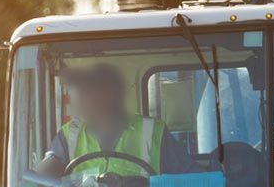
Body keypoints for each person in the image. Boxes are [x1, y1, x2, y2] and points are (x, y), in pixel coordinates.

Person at [37, 64, 190, 180]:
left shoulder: (154, 131)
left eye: (86, 92)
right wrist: (39, 176)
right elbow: (45, 172)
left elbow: (188, 178)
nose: (78, 101)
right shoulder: (70, 134)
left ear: (111, 94)